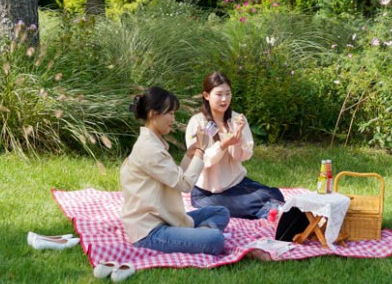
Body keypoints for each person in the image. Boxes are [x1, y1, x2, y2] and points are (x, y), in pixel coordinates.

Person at [121, 86, 231, 255]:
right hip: (150, 231)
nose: (173, 118)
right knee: (216, 240)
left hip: (166, 219)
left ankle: (195, 234)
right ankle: (200, 235)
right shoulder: (149, 150)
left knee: (221, 212)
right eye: (170, 113)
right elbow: (185, 185)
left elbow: (175, 177)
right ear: (152, 114)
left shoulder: (154, 143)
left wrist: (190, 155)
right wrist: (201, 151)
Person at [185, 72, 284, 219]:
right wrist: (224, 144)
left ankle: (267, 210)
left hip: (236, 184)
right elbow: (203, 161)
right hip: (208, 192)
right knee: (248, 203)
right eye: (219, 94)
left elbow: (240, 157)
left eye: (228, 93)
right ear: (206, 95)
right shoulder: (198, 123)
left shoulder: (237, 119)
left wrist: (237, 138)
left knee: (274, 194)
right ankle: (267, 211)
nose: (224, 99)